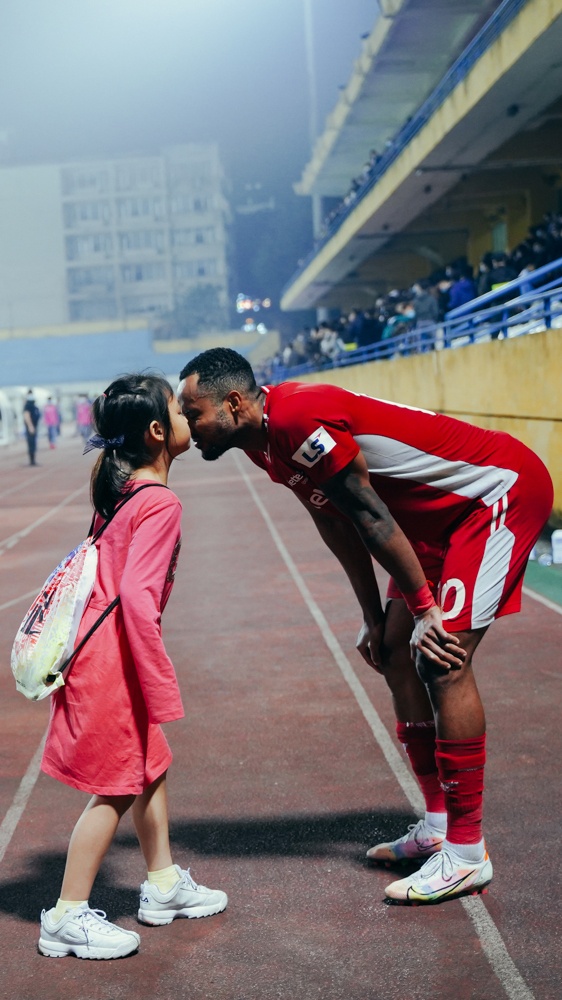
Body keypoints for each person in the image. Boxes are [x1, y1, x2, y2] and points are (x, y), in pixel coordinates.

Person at [177, 348, 553, 905]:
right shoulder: (263, 445)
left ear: (233, 403)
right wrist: (373, 616)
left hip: (494, 494)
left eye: (194, 413)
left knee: (441, 659)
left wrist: (425, 611)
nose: (189, 427)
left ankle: (467, 853)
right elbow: (334, 520)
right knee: (394, 652)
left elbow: (371, 515)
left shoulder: (298, 419)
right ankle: (437, 825)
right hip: (433, 523)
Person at [38, 374, 227, 959]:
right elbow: (139, 602)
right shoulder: (159, 503)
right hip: (112, 663)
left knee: (150, 767)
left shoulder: (121, 491)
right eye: (178, 411)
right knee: (115, 789)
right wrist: (160, 685)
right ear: (156, 431)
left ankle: (163, 883)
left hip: (98, 653)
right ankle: (65, 916)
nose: (187, 418)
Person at [22, 389, 41, 466]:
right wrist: (30, 426)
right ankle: (32, 461)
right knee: (31, 443)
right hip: (31, 427)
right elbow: (26, 416)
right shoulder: (27, 405)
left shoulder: (34, 405)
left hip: (34, 426)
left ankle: (33, 460)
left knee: (34, 443)